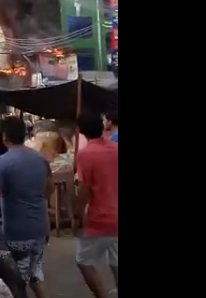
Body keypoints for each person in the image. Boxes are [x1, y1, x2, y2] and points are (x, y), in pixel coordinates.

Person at [0, 118, 53, 298]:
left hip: (17, 232)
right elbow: (49, 188)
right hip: (40, 229)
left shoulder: (2, 162)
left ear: (5, 137)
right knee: (35, 275)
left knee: (17, 281)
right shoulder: (40, 158)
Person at [74, 112, 119, 298]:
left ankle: (101, 295)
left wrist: (77, 216)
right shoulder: (116, 149)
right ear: (102, 126)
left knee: (83, 260)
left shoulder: (85, 154)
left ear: (81, 131)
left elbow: (84, 190)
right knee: (116, 261)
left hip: (98, 219)